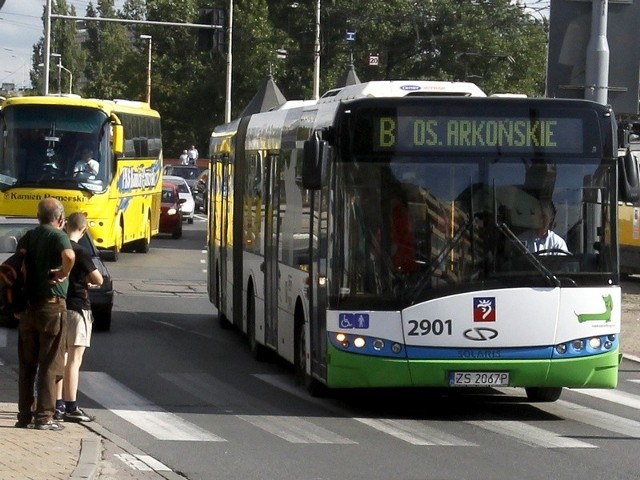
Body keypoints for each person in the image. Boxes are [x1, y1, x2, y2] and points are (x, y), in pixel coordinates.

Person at [15, 198, 75, 431]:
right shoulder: (57, 235)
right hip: (51, 307)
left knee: (27, 364)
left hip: (28, 308)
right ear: (61, 219)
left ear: (37, 216)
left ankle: (24, 414)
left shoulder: (29, 236)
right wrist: (62, 272)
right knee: (50, 363)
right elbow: (69, 256)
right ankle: (45, 417)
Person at [54, 212, 103, 423]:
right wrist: (89, 283)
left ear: (65, 225)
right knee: (74, 359)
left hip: (58, 305)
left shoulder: (58, 249)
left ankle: (56, 404)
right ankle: (71, 406)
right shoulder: (81, 252)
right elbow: (98, 278)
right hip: (78, 307)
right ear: (84, 230)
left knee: (59, 357)